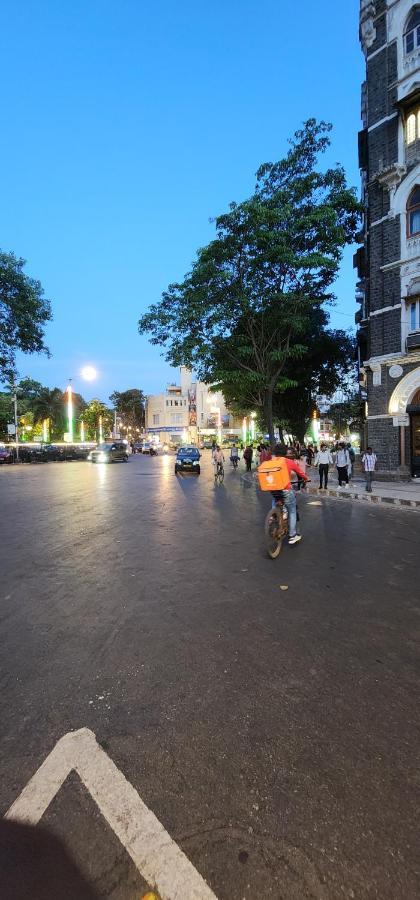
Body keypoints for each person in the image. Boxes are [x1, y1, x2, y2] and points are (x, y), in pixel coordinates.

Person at [258, 444, 310, 545]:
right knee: (292, 510)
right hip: (286, 490)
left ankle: (274, 515)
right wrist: (306, 479)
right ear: (285, 452)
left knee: (276, 498)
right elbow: (300, 473)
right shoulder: (288, 462)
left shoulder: (270, 462)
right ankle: (292, 535)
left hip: (273, 489)